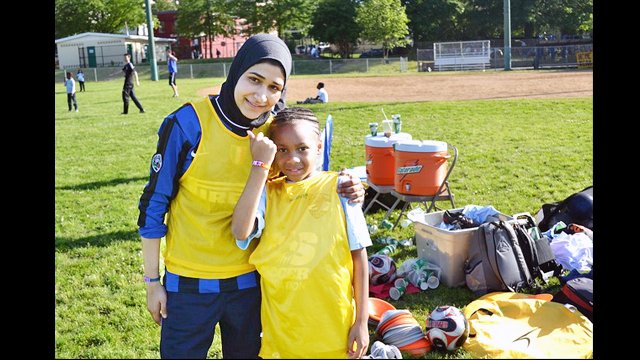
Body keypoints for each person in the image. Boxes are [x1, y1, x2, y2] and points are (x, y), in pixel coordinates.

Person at [137, 34, 365, 359]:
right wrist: (151, 281)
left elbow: (308, 177)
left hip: (250, 283)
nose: (261, 96)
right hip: (188, 282)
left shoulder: (274, 132)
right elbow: (153, 207)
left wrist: (350, 185)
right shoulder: (188, 123)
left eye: (274, 87)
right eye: (254, 80)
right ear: (236, 72)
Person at [231, 107, 371, 359]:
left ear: (319, 147)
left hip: (334, 328)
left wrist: (361, 322)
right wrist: (259, 166)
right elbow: (240, 232)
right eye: (282, 150)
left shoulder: (341, 188)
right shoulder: (267, 193)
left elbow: (359, 257)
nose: (292, 159)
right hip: (282, 332)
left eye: (302, 148)